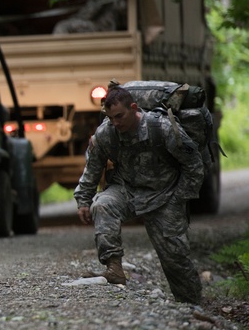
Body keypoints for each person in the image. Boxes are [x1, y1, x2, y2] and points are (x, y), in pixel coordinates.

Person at [74, 84, 205, 304]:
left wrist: (179, 199)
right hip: (127, 190)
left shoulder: (161, 128)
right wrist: (83, 200)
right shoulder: (107, 133)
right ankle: (114, 268)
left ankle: (192, 304)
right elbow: (93, 167)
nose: (116, 123)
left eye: (119, 116)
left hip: (165, 195)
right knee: (103, 205)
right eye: (110, 117)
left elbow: (193, 165)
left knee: (175, 258)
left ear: (133, 108)